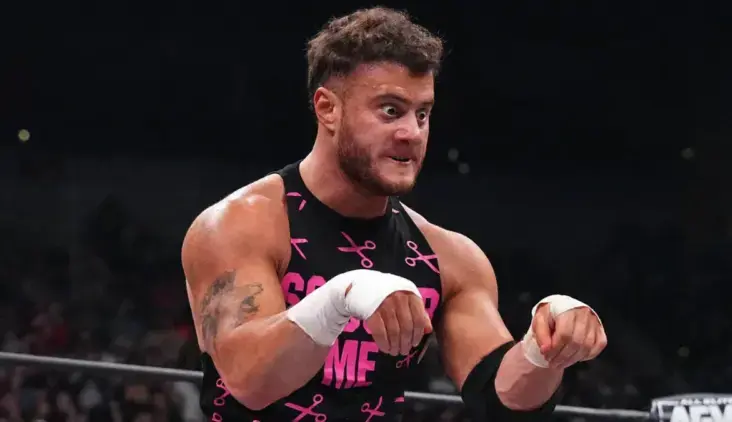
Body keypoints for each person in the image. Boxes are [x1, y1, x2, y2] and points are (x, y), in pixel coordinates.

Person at [181, 7, 608, 422]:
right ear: (328, 109)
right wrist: (338, 298)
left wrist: (544, 348)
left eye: (422, 113)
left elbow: (499, 401)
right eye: (390, 110)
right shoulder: (239, 225)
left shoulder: (447, 257)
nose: (412, 133)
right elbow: (249, 382)